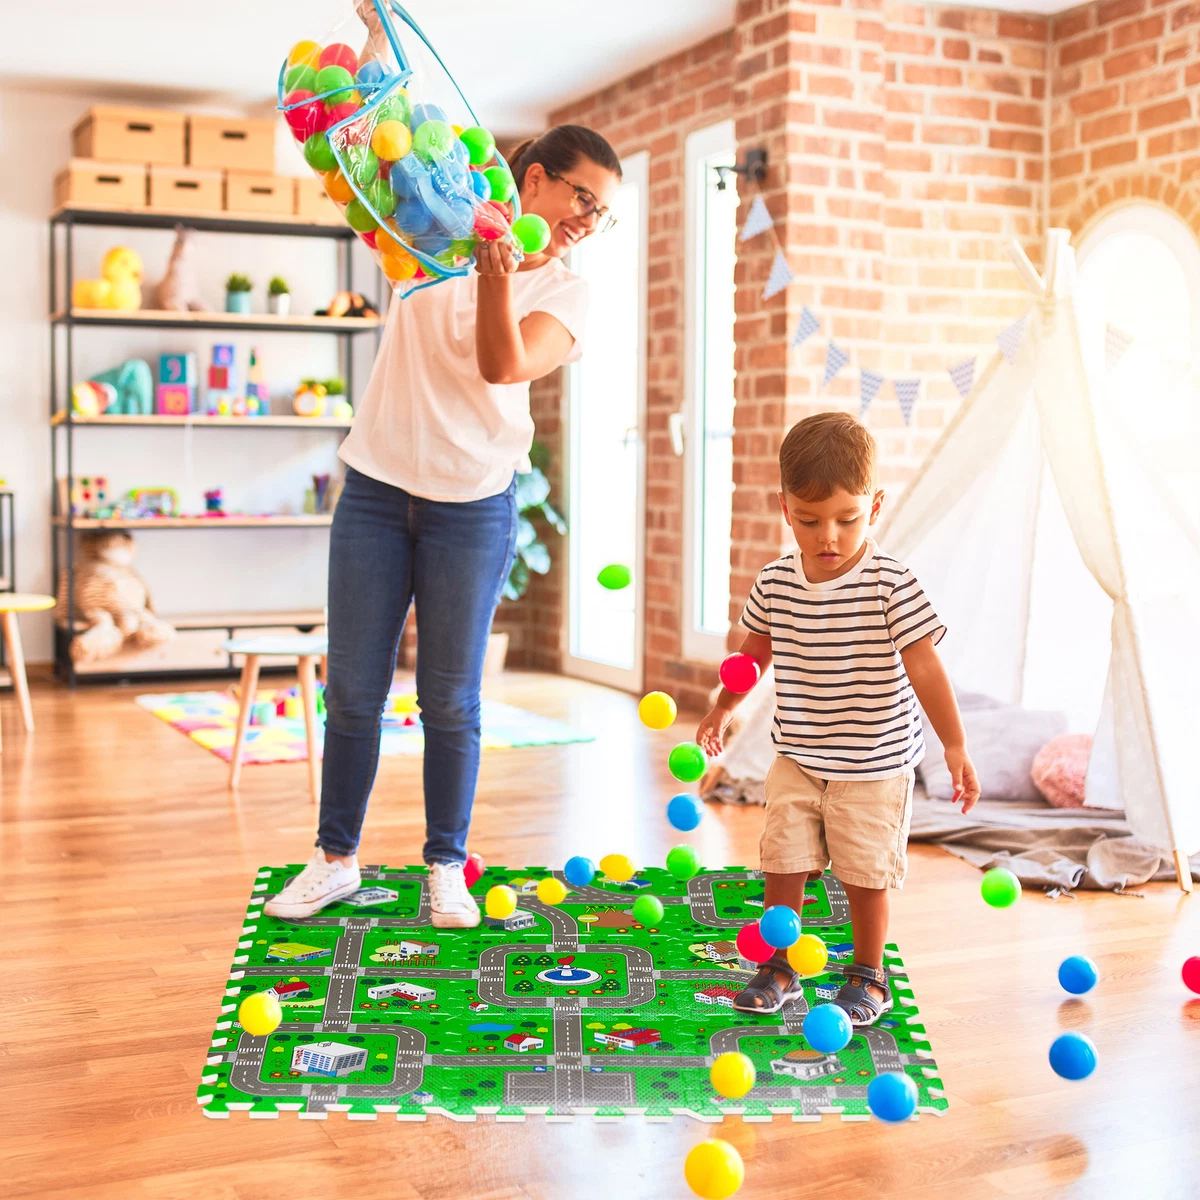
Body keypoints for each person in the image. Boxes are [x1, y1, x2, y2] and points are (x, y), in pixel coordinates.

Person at [266, 124, 622, 926]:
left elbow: (503, 364)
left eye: (604, 212)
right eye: (583, 196)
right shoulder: (433, 226)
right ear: (534, 179)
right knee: (354, 693)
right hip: (376, 490)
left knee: (450, 700)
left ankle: (446, 867)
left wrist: (496, 277)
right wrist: (369, 34)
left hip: (473, 504)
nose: (589, 219)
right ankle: (335, 860)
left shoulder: (565, 291)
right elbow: (367, 144)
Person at [696, 412, 980, 1024]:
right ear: (784, 508)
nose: (828, 535)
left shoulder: (891, 584)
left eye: (847, 520)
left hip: (874, 764)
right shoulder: (776, 581)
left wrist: (953, 746)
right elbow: (752, 657)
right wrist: (723, 708)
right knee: (783, 858)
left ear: (874, 507)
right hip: (798, 754)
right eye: (809, 520)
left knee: (864, 868)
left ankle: (868, 973)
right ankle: (779, 964)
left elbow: (926, 668)